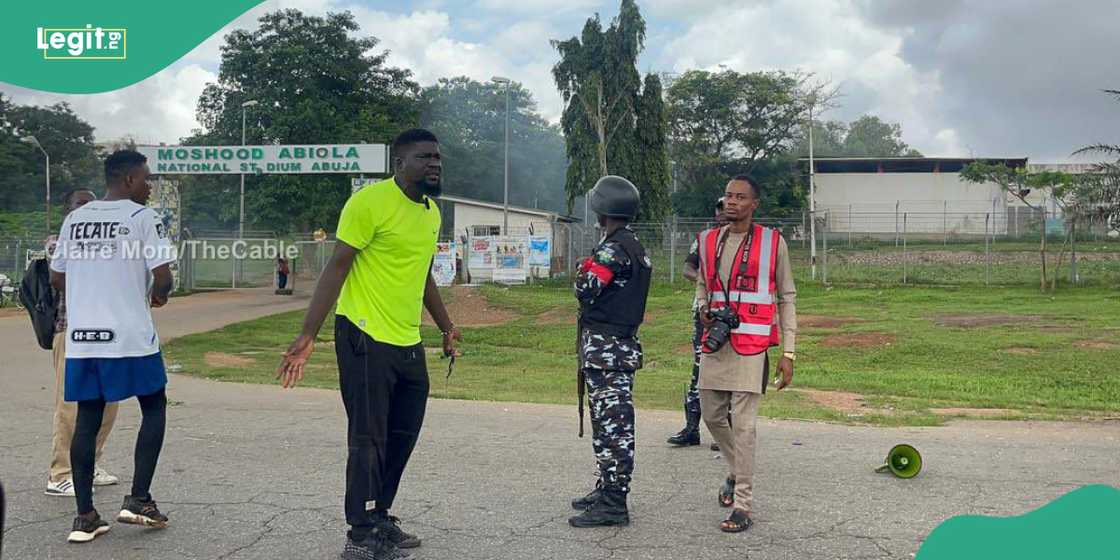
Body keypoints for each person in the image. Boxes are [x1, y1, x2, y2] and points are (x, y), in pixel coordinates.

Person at [277, 129, 461, 560]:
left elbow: (422, 274)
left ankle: (379, 515)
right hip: (363, 334)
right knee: (368, 438)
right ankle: (359, 535)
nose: (434, 164)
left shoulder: (432, 213)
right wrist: (308, 334)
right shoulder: (369, 203)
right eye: (424, 157)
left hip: (406, 339)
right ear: (400, 163)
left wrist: (446, 327)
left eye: (437, 157)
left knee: (402, 435)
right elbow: (336, 269)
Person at [50, 150, 176, 543]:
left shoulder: (76, 218)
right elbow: (163, 277)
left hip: (85, 339)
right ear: (127, 180)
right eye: (145, 179)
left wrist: (93, 293)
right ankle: (138, 499)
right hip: (131, 336)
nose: (149, 185)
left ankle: (85, 516)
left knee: (87, 418)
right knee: (153, 406)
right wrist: (157, 294)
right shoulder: (142, 218)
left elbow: (57, 277)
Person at [695, 175, 797, 533]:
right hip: (717, 342)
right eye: (727, 196)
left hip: (753, 345)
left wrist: (789, 351)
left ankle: (743, 505)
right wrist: (703, 308)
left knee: (746, 426)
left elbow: (787, 297)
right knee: (710, 413)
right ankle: (737, 469)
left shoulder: (773, 242)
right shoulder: (709, 240)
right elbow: (702, 284)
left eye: (740, 197)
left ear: (754, 204)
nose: (732, 202)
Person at [569, 175, 652, 528]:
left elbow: (586, 290)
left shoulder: (611, 249)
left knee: (613, 427)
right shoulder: (631, 244)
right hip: (616, 349)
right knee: (608, 424)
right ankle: (606, 489)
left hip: (608, 351)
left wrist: (581, 270)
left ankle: (614, 502)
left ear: (601, 210)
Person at [45, 188, 121, 497]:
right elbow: (66, 274)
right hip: (71, 330)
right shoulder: (57, 242)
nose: (89, 209)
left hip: (106, 333)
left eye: (93, 204)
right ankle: (60, 472)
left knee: (109, 403)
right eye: (81, 204)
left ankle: (89, 463)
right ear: (69, 211)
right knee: (71, 404)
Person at [667, 198, 727, 448]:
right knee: (700, 368)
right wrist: (706, 281)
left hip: (733, 313)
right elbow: (687, 269)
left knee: (729, 371)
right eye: (720, 207)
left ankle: (725, 431)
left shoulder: (747, 242)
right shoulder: (704, 239)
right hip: (704, 311)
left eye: (729, 206)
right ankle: (692, 428)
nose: (724, 211)